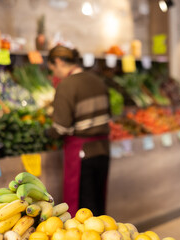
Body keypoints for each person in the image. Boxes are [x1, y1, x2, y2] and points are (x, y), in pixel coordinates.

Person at [46, 45, 111, 217]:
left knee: (82, 210)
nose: (54, 74)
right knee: (98, 204)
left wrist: (47, 133)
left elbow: (62, 127)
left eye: (52, 68)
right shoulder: (97, 80)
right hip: (103, 149)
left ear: (59, 62)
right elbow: (109, 115)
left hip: (82, 154)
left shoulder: (67, 85)